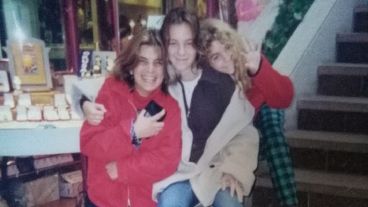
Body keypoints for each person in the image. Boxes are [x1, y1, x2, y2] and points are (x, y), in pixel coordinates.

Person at [199, 18, 298, 206]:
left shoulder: (249, 60)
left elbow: (285, 97)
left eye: (227, 48)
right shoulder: (210, 85)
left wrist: (258, 69)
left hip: (262, 115)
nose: (227, 58)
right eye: (216, 57)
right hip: (243, 134)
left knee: (272, 126)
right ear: (207, 64)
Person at [79, 29, 182, 207]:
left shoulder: (170, 106)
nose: (150, 70)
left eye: (157, 63)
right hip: (104, 201)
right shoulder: (111, 91)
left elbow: (168, 160)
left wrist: (122, 169)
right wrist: (132, 132)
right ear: (132, 66)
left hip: (144, 202)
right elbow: (89, 142)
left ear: (165, 69)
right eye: (143, 61)